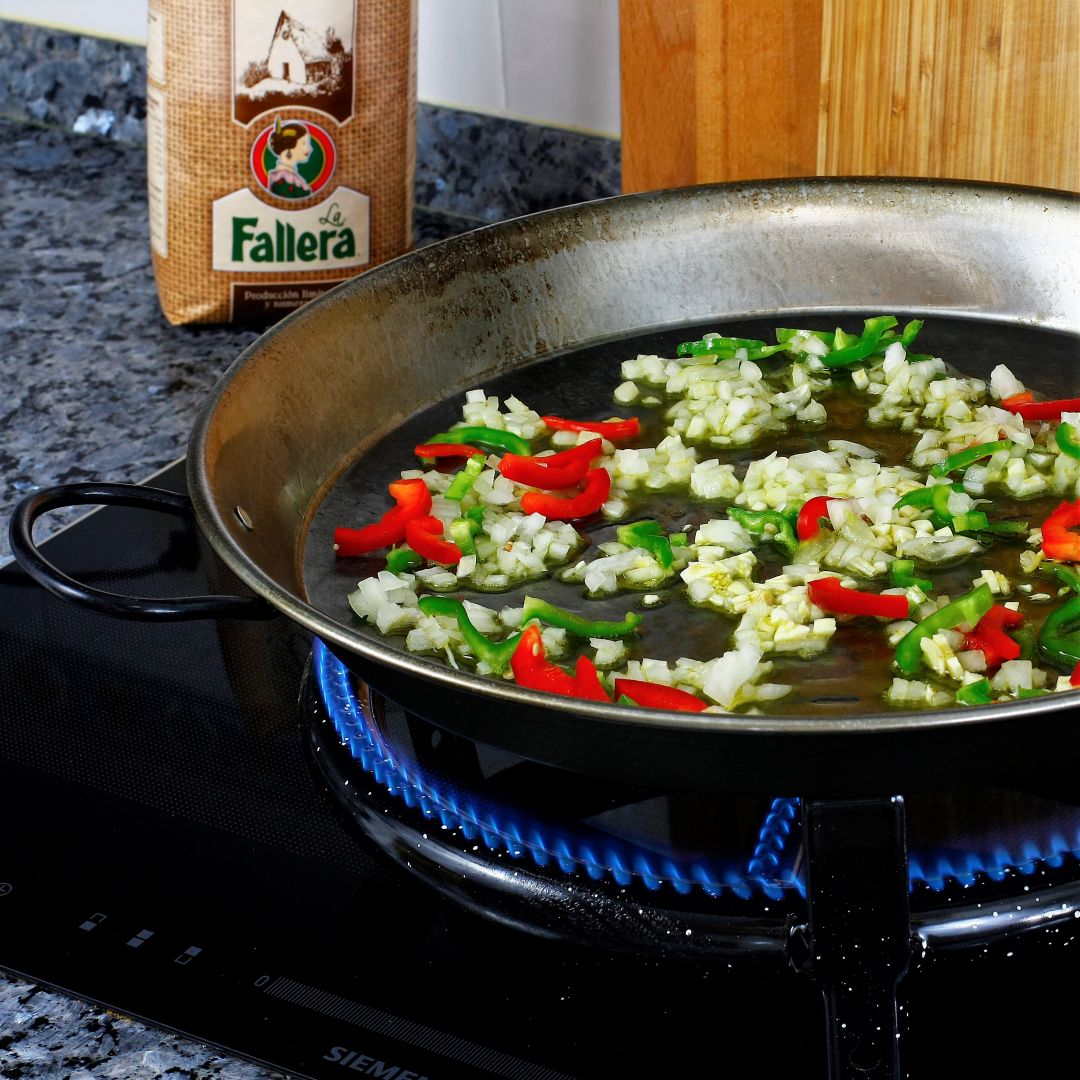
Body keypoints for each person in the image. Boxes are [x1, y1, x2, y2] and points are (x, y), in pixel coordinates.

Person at [266, 117, 314, 198]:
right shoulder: (283, 178)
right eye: (304, 143)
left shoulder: (288, 176)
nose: (310, 148)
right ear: (289, 146)